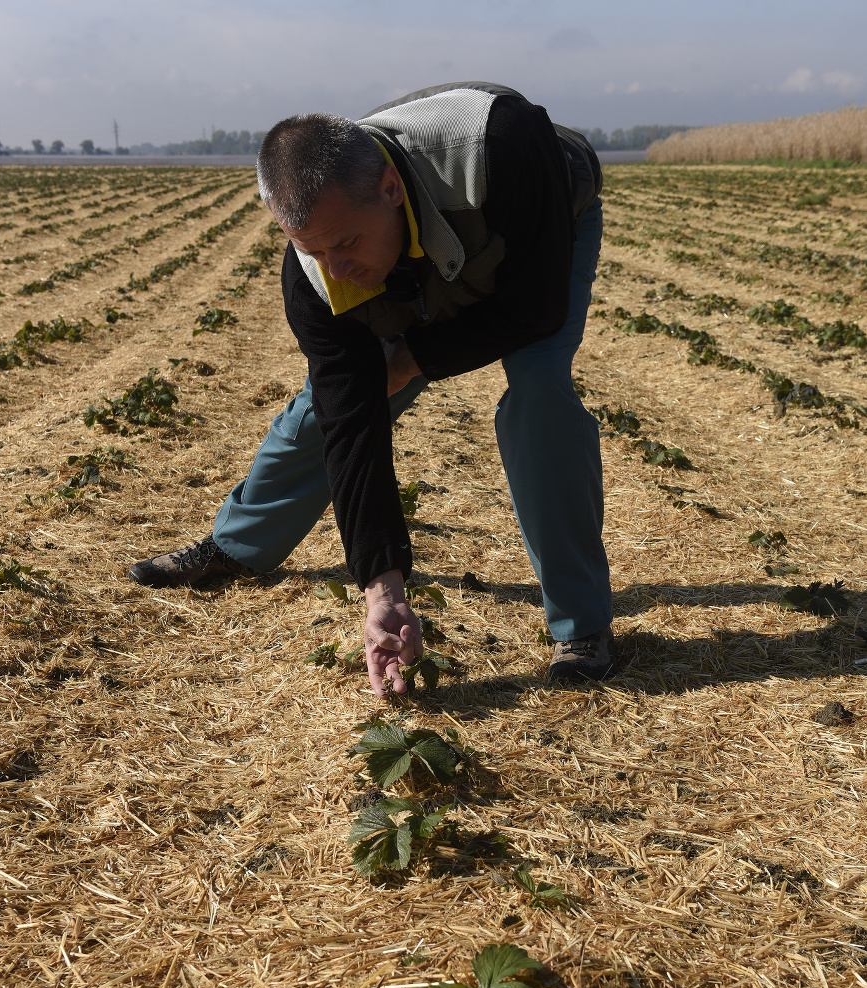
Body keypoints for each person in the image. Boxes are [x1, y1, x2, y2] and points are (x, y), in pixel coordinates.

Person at [130, 81, 615, 696]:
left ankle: (581, 625)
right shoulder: (317, 275)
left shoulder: (500, 145)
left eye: (346, 244)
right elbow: (351, 418)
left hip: (528, 233)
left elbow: (534, 310)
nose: (334, 268)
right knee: (333, 405)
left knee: (539, 391)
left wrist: (412, 357)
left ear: (389, 188)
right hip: (412, 256)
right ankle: (237, 545)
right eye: (313, 250)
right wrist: (382, 590)